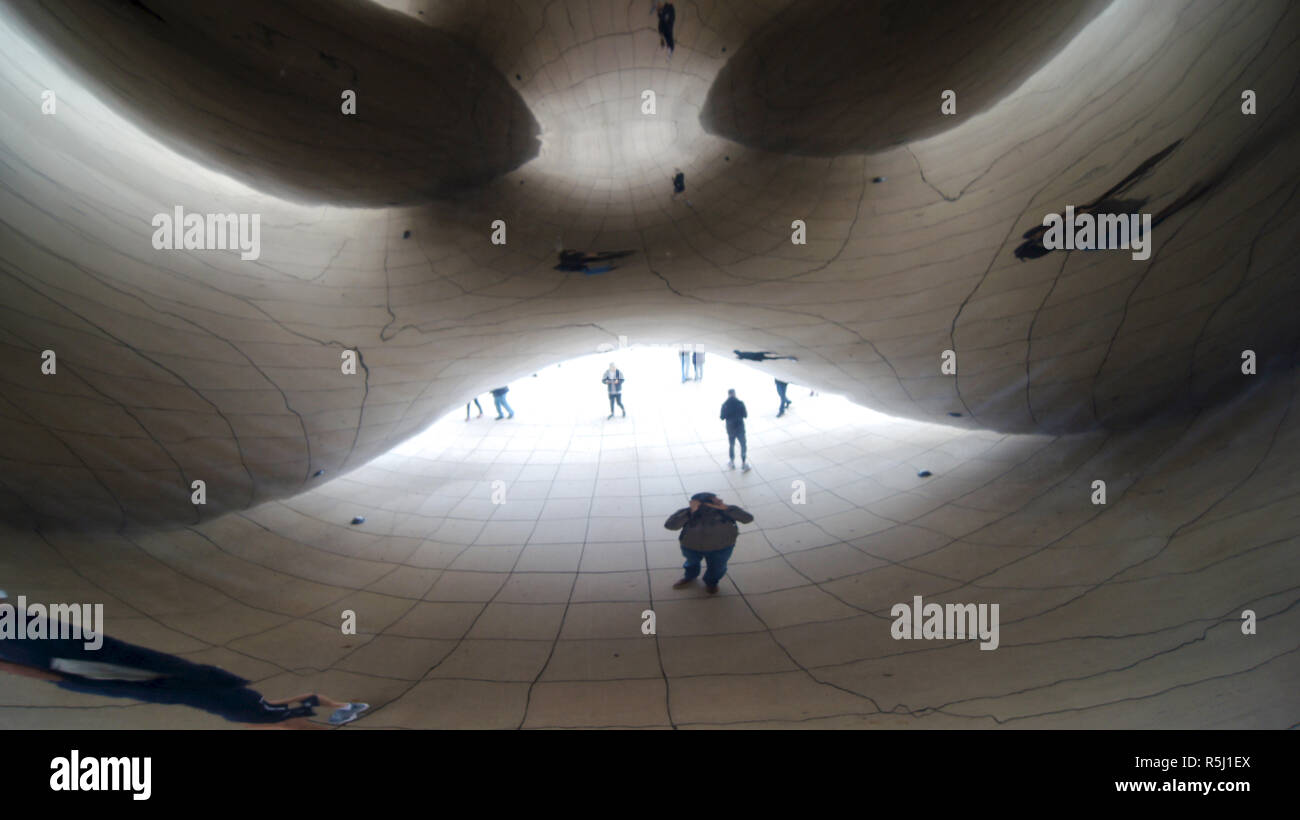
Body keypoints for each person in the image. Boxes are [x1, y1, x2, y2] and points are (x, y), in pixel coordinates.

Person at [0, 611, 368, 729]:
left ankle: (335, 706)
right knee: (264, 713)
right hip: (76, 657)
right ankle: (336, 706)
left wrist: (66, 680)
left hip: (77, 665)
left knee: (264, 716)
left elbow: (26, 669)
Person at [664, 492, 754, 593]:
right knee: (691, 563)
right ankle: (690, 576)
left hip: (722, 547)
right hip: (691, 547)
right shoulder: (687, 512)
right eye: (715, 500)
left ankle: (711, 583)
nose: (720, 501)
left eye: (718, 499)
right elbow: (670, 526)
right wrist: (691, 512)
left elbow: (748, 519)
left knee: (717, 568)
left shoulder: (727, 510)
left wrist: (727, 509)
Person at [720, 388, 748, 470]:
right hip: (740, 427)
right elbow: (745, 415)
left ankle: (732, 462)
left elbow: (722, 417)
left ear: (728, 394)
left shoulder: (725, 405)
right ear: (735, 394)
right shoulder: (740, 403)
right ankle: (743, 463)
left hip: (730, 428)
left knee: (731, 445)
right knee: (743, 445)